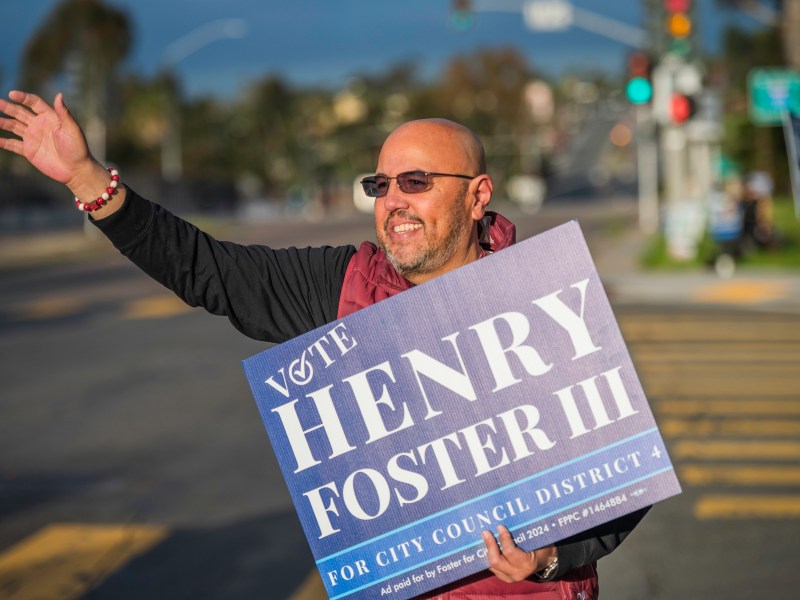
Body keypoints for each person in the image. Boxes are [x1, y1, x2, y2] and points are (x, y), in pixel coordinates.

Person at [0, 90, 647, 600]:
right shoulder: (344, 285)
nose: (393, 201)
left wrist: (550, 557)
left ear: (477, 196)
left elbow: (624, 479)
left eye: (416, 182)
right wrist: (89, 180)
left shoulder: (548, 302)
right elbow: (210, 271)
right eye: (381, 185)